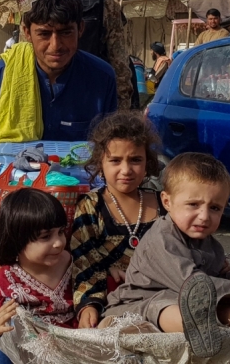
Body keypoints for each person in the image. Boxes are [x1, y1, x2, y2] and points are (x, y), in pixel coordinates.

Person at [0, 0, 118, 266]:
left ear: (80, 29)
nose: (56, 45)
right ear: (26, 32)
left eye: (66, 32)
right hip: (19, 209)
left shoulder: (102, 77)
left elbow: (114, 153)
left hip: (81, 212)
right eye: (45, 34)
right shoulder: (5, 73)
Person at [104, 153, 230, 358]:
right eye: (193, 205)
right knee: (170, 307)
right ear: (167, 201)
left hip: (196, 303)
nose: (204, 216)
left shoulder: (211, 244)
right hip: (137, 306)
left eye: (214, 208)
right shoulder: (162, 240)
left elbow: (223, 276)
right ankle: (199, 330)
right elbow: (192, 282)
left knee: (221, 299)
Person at [70, 111, 164, 329]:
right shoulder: (90, 207)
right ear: (100, 163)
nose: (126, 170)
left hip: (162, 297)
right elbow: (84, 261)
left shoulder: (164, 204)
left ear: (147, 162)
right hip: (112, 303)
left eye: (135, 160)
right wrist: (89, 305)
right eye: (115, 161)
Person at [0, 189, 77, 363]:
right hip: (23, 353)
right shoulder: (5, 282)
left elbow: (99, 291)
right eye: (46, 236)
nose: (58, 243)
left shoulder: (77, 265)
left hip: (73, 351)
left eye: (61, 232)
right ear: (17, 240)